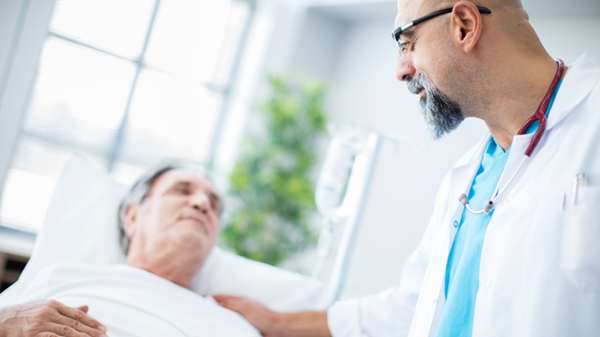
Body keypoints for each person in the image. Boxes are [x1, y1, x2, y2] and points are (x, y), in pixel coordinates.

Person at [214, 0, 600, 336]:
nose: (401, 70)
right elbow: (414, 306)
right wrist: (277, 325)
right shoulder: (468, 177)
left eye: (407, 43)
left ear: (464, 26)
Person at [0, 163, 261, 337]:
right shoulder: (61, 277)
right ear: (133, 217)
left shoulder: (236, 326)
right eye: (181, 191)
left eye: (213, 205)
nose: (203, 203)